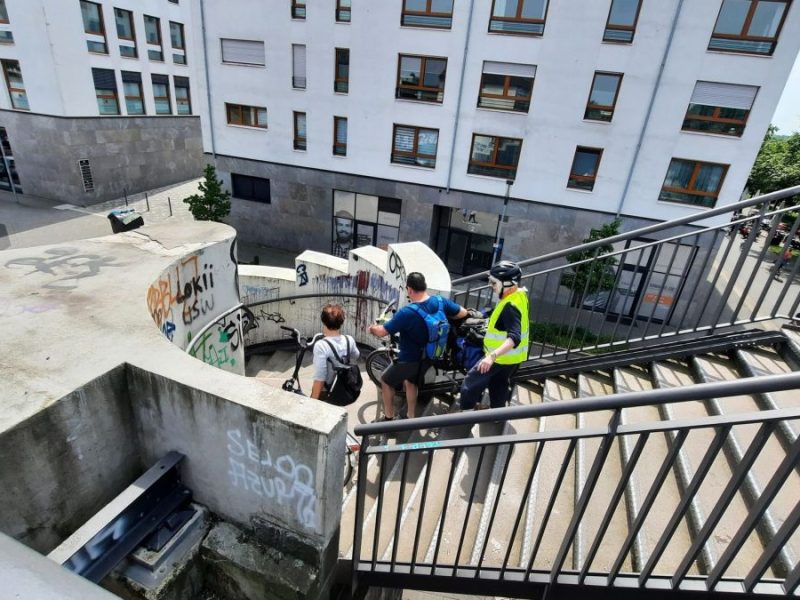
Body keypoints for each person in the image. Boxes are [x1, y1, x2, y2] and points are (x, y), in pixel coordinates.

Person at [367, 272, 468, 421]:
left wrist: (372, 328)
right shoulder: (440, 302)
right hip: (430, 357)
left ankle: (388, 418)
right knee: (411, 382)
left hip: (409, 360)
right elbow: (463, 313)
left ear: (409, 290)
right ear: (425, 286)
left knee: (386, 381)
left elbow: (382, 332)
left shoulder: (406, 313)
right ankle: (411, 416)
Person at [459, 260, 529, 411]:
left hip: (499, 358)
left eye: (494, 283)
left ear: (509, 284)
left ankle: (464, 415)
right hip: (513, 359)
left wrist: (491, 357)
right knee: (499, 384)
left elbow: (514, 337)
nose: (491, 286)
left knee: (469, 384)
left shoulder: (509, 307)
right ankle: (497, 415)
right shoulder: (519, 295)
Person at [311, 303, 359, 400]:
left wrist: (313, 401)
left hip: (328, 390)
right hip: (344, 385)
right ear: (341, 322)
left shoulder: (321, 345)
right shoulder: (349, 339)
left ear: (323, 321)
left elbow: (320, 377)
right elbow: (356, 355)